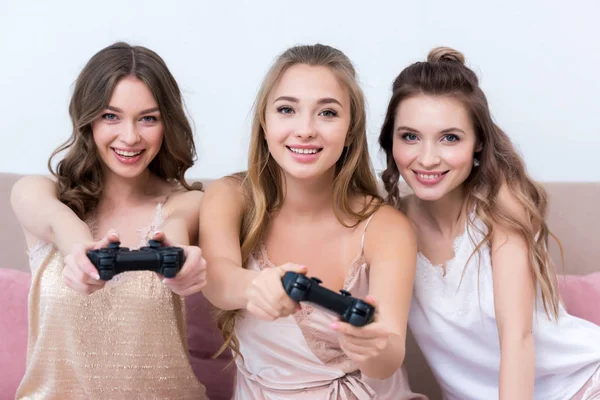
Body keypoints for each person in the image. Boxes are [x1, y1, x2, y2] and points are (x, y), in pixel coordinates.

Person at [199, 43, 426, 399]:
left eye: (327, 113)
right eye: (287, 109)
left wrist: (371, 345)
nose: (305, 130)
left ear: (351, 129)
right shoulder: (231, 196)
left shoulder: (386, 227)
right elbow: (217, 278)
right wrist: (254, 286)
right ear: (265, 120)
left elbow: (389, 356)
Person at [378, 46, 600, 400]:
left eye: (450, 137)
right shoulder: (388, 227)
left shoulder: (501, 206)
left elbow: (518, 340)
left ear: (478, 143)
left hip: (580, 384)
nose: (428, 158)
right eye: (410, 136)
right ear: (391, 141)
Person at [11, 42, 208, 399]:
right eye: (110, 116)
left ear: (167, 123)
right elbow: (58, 221)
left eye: (148, 118)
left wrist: (179, 261)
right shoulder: (38, 192)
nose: (130, 137)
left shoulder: (188, 202)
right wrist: (80, 252)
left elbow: (177, 230)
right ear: (87, 120)